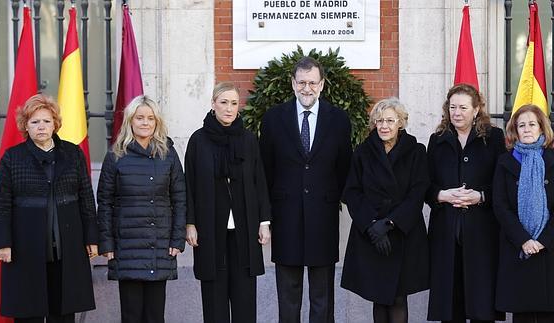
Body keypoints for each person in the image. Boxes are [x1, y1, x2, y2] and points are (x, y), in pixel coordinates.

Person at [260, 56, 352, 323]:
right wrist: (265, 215)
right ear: (293, 83)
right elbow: (265, 171)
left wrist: (333, 197)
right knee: (288, 295)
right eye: (301, 82)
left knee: (322, 297)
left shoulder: (338, 119)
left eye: (312, 82)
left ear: (322, 84)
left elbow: (345, 167)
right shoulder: (273, 119)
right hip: (285, 216)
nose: (307, 88)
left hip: (323, 217)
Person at [0, 94, 98, 323]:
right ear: (25, 126)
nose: (41, 126)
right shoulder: (13, 158)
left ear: (55, 124)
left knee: (62, 311)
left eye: (46, 121)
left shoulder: (72, 154)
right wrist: (3, 242)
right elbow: (1, 202)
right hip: (25, 247)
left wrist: (92, 237)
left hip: (66, 246)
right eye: (35, 122)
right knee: (28, 312)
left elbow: (86, 198)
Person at [184, 82, 271, 323]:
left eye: (234, 103)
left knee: (244, 300)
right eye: (223, 102)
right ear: (213, 104)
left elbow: (259, 182)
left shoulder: (248, 139)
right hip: (210, 230)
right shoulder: (198, 141)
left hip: (244, 231)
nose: (229, 108)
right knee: (214, 300)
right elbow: (188, 184)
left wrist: (264, 222)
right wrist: (189, 223)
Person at [97, 95, 186, 323]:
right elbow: (105, 202)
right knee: (131, 315)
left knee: (155, 316)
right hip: (127, 246)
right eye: (139, 118)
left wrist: (177, 239)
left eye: (150, 118)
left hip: (160, 245)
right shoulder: (115, 155)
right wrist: (106, 244)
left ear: (157, 122)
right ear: (130, 121)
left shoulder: (168, 154)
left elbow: (179, 198)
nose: (145, 123)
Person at [341, 98, 429, 323]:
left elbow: (418, 192)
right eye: (379, 120)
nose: (384, 126)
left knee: (398, 298)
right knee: (378, 297)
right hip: (371, 234)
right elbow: (352, 191)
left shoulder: (416, 151)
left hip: (402, 233)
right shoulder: (362, 152)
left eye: (390, 120)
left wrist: (390, 223)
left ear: (401, 122)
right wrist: (372, 225)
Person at [426, 83, 506, 323]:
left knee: (482, 306)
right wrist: (442, 195)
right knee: (450, 309)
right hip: (446, 233)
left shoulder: (494, 138)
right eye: (452, 107)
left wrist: (481, 196)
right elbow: (424, 185)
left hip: (482, 233)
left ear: (476, 109)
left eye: (462, 107)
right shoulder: (437, 139)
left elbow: (503, 186)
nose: (457, 112)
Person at [493, 104, 554, 323]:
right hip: (517, 247)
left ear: (542, 129)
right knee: (522, 313)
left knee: (547, 314)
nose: (526, 129)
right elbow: (500, 205)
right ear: (514, 131)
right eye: (521, 125)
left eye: (531, 124)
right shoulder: (505, 162)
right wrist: (524, 240)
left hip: (549, 248)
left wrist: (543, 240)